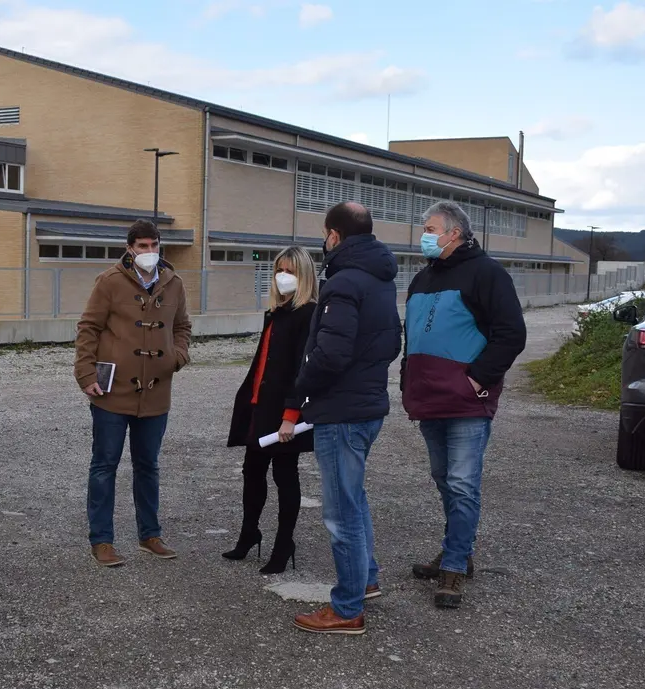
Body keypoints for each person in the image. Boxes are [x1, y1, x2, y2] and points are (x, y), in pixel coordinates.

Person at [402, 201, 527, 609]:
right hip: (428, 399)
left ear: (453, 233)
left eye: (430, 227)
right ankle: (458, 548)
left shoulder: (487, 273)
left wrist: (475, 379)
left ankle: (453, 568)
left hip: (467, 402)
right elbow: (414, 338)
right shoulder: (421, 279)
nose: (424, 234)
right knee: (444, 478)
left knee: (462, 483)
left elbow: (511, 334)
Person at [291, 202, 402, 636]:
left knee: (341, 512)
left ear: (334, 236)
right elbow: (391, 341)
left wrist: (299, 386)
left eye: (325, 234)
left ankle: (347, 608)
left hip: (341, 411)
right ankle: (366, 579)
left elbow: (330, 353)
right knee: (354, 500)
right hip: (367, 405)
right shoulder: (380, 280)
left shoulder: (343, 283)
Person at [74, 218, 192, 567]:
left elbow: (183, 326)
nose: (149, 252)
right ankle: (102, 541)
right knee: (104, 465)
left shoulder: (174, 283)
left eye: (154, 245)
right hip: (112, 393)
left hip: (156, 394)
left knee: (148, 466)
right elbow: (88, 328)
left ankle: (150, 535)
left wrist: (177, 356)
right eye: (142, 246)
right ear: (130, 248)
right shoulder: (109, 281)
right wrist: (85, 373)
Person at [224, 246, 318, 574]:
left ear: (304, 275)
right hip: (259, 406)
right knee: (252, 472)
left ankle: (283, 543)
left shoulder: (308, 315)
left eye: (291, 271)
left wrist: (291, 416)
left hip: (284, 412)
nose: (283, 276)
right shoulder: (275, 313)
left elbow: (302, 371)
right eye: (280, 269)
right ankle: (250, 533)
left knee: (284, 475)